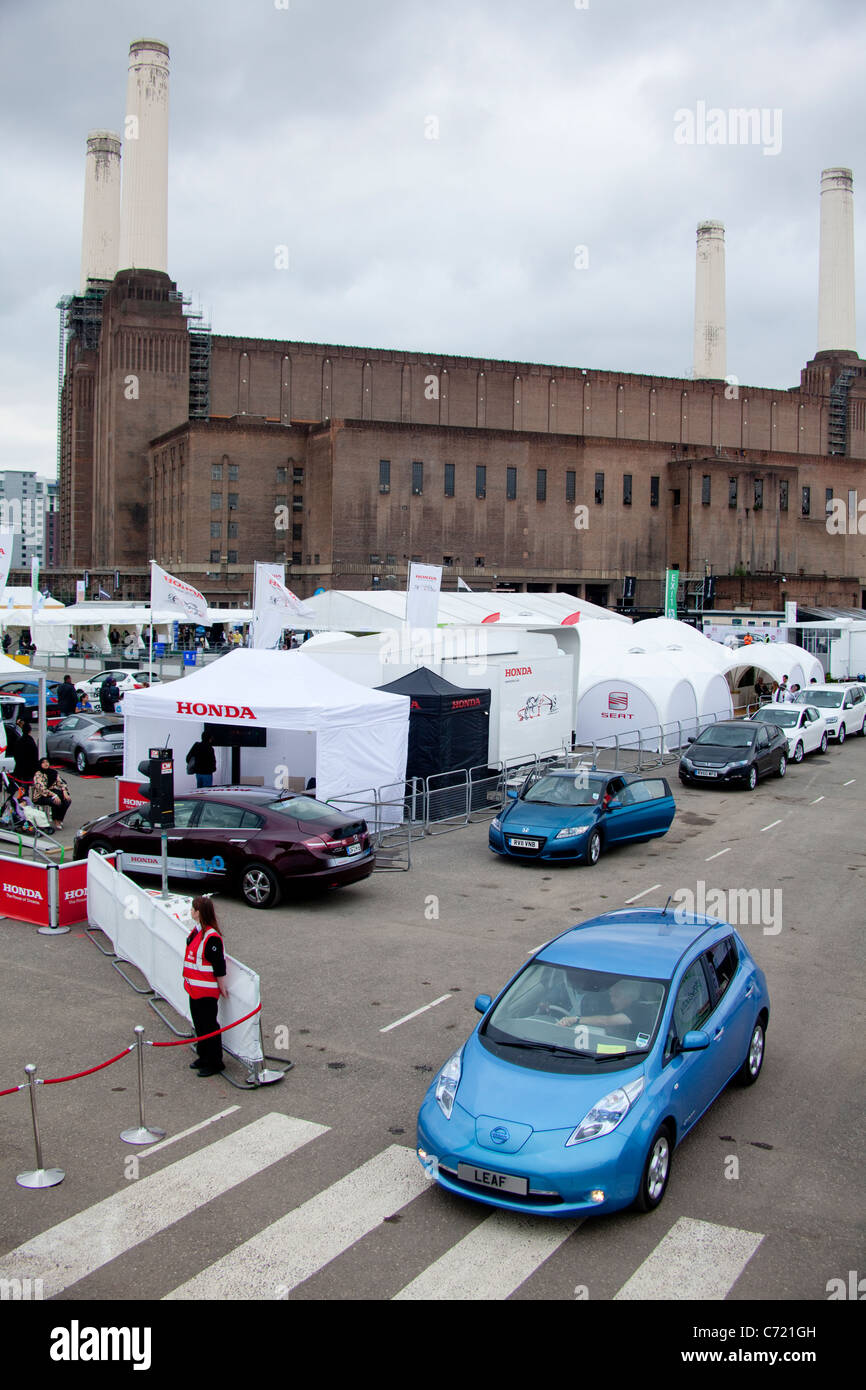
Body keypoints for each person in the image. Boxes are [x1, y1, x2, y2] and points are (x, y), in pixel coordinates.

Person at [182, 897, 228, 1077]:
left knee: (209, 1026)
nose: (190, 912)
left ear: (199, 912)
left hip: (206, 991)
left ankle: (216, 1062)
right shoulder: (197, 932)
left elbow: (219, 965)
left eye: (193, 909)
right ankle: (203, 1055)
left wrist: (221, 987)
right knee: (199, 1024)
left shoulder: (211, 937)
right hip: (194, 988)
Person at [558, 979, 642, 1030]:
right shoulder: (611, 1007)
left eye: (616, 996)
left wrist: (576, 1020)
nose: (612, 1001)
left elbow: (605, 1021)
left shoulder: (639, 1010)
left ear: (629, 997)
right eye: (611, 996)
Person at [33, 757, 72, 827]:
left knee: (67, 800)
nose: (46, 764)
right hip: (41, 796)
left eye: (47, 762)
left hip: (52, 792)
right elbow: (41, 788)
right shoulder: (38, 774)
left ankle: (60, 819)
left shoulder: (53, 772)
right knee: (56, 801)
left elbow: (61, 782)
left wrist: (64, 791)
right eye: (43, 762)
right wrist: (54, 795)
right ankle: (56, 820)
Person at [11, 717, 39, 787]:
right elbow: (35, 756)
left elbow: (15, 754)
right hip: (29, 769)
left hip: (20, 768)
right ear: (30, 731)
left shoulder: (19, 741)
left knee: (21, 786)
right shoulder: (31, 741)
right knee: (27, 785)